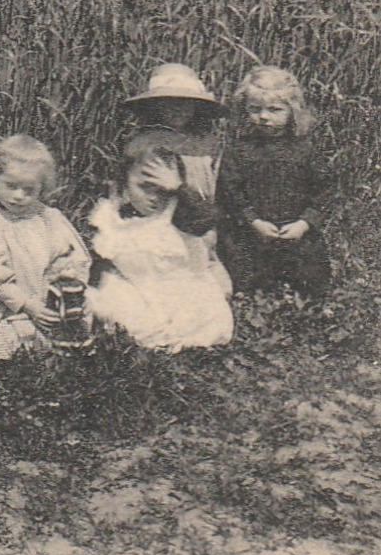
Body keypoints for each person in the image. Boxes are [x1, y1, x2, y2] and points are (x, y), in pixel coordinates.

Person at [0, 135, 90, 360]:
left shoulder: (48, 217)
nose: (18, 196)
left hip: (46, 300)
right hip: (3, 306)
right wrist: (26, 304)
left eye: (29, 190)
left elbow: (72, 257)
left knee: (84, 320)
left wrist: (67, 286)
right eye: (11, 186)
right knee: (8, 342)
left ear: (41, 188)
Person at [87, 148, 233, 351]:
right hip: (139, 289)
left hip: (180, 289)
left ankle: (171, 339)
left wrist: (179, 190)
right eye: (145, 188)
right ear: (125, 188)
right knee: (112, 300)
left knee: (201, 318)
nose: (154, 198)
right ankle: (147, 337)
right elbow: (102, 259)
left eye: (162, 190)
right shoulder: (112, 218)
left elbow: (208, 219)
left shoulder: (177, 213)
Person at [215, 66, 333, 299]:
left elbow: (323, 189)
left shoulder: (305, 149)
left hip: (296, 230)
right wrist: (253, 221)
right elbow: (230, 191)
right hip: (252, 231)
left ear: (292, 111)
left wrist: (305, 223)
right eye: (255, 109)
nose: (264, 117)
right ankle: (251, 303)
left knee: (309, 279)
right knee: (243, 275)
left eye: (274, 109)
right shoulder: (240, 149)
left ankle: (306, 307)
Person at [122, 63, 224, 236]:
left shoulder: (208, 144)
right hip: (160, 223)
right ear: (156, 105)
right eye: (169, 103)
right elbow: (138, 191)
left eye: (186, 104)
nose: (178, 110)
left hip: (201, 220)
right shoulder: (146, 143)